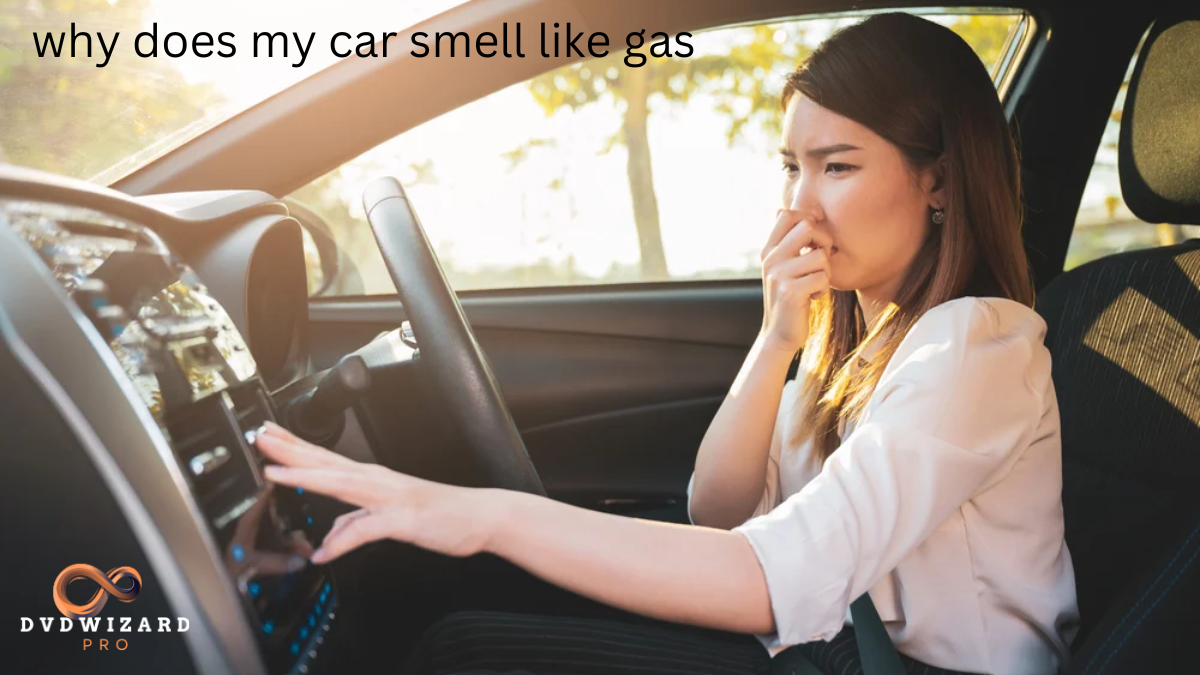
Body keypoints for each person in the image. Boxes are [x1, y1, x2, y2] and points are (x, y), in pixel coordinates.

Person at [254, 12, 1079, 675]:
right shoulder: (866, 341)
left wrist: (481, 516)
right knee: (472, 621)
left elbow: (771, 576)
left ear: (937, 181)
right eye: (790, 166)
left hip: (893, 662)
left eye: (837, 166)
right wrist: (777, 339)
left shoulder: (975, 342)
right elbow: (718, 510)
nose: (801, 206)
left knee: (463, 647)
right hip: (834, 645)